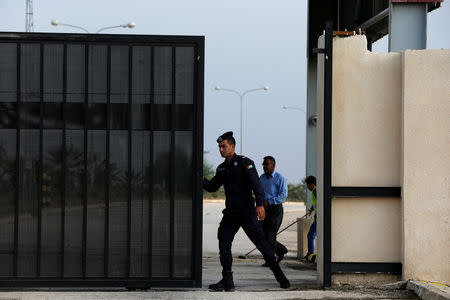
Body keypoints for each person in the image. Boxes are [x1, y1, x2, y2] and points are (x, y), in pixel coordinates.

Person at [203, 131, 290, 291]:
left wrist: (260, 205)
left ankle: (281, 277)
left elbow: (256, 184)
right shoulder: (222, 168)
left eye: (224, 146)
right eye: (219, 147)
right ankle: (227, 281)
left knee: (263, 244)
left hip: (247, 212)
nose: (221, 149)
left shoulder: (245, 163)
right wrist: (200, 178)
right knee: (223, 242)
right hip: (231, 214)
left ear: (232, 146)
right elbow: (212, 186)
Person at [259, 156, 289, 266]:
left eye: (266, 164)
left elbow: (283, 195)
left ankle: (270, 260)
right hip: (264, 209)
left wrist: (270, 201)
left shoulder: (279, 178)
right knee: (261, 234)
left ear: (273, 165)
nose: (264, 167)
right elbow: (259, 193)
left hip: (275, 209)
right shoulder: (261, 178)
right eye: (263, 164)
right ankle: (280, 249)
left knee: (270, 234)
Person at [304, 175, 317, 261]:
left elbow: (320, 202)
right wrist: (312, 210)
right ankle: (310, 253)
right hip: (319, 215)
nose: (307, 187)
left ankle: (310, 254)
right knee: (312, 234)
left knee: (311, 235)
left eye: (308, 185)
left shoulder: (315, 191)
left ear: (312, 184)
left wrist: (318, 214)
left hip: (320, 217)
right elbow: (316, 203)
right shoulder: (316, 191)